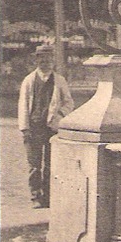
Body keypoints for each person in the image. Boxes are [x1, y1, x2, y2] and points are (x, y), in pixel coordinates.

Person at [17, 42, 74, 209]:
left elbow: (69, 102)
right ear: (37, 61)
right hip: (33, 128)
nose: (45, 63)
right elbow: (23, 104)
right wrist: (24, 128)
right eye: (42, 60)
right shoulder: (29, 80)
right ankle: (35, 196)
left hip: (51, 128)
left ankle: (49, 197)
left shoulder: (59, 80)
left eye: (48, 60)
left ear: (53, 61)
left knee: (51, 164)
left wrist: (60, 115)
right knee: (34, 165)